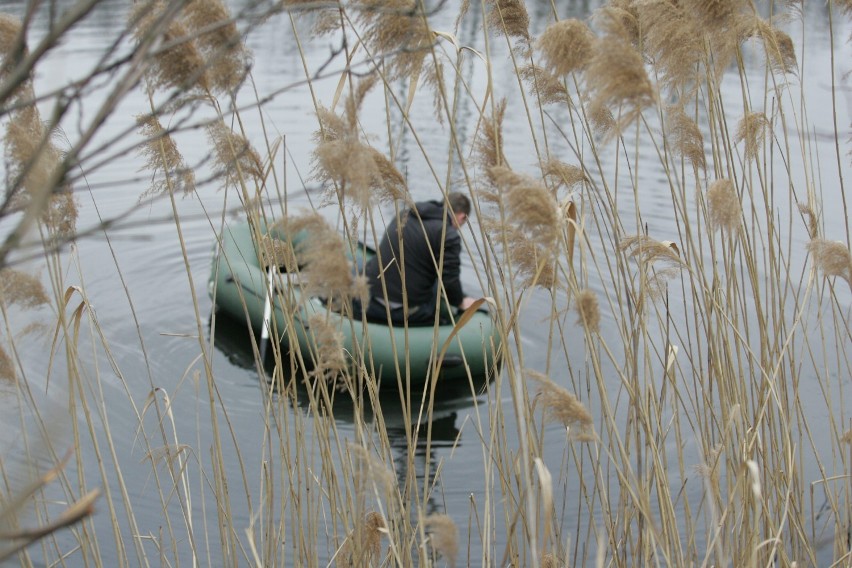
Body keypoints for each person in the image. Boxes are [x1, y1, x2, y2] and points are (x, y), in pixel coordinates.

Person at [355, 192, 477, 326]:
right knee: (436, 291)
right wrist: (460, 301)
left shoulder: (404, 214)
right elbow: (449, 281)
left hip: (367, 298)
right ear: (462, 217)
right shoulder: (448, 235)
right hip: (404, 312)